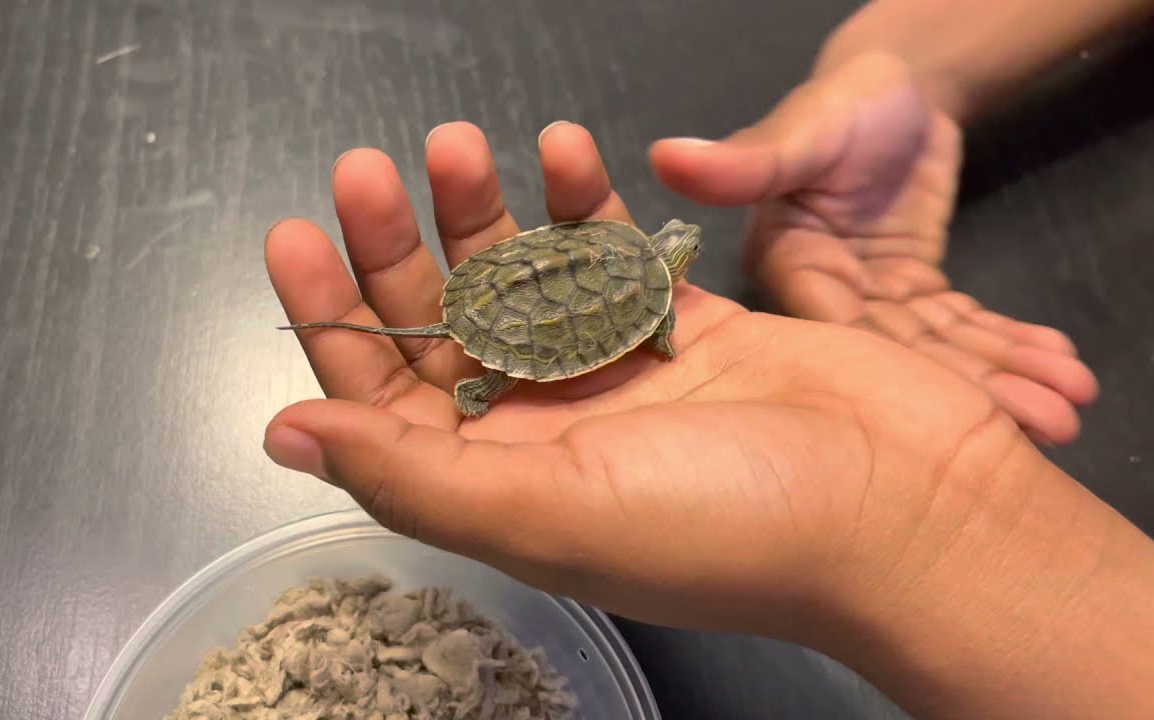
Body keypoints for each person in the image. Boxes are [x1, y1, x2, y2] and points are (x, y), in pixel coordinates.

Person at [260, 0, 1154, 717]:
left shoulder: (645, 283)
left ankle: (486, 371)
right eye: (679, 249)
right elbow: (654, 328)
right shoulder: (650, 297)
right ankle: (491, 375)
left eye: (678, 251)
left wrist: (914, 521)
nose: (683, 249)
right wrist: (916, 59)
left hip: (524, 295)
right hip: (550, 302)